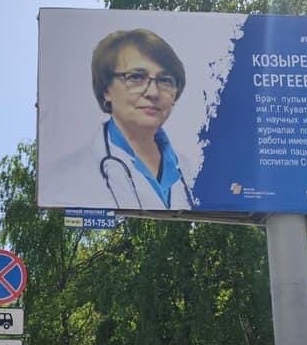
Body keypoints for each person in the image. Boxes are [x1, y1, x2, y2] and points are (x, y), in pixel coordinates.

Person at [44, 28, 194, 211]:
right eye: (136, 77)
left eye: (165, 80)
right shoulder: (64, 176)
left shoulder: (191, 171)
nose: (154, 92)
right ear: (106, 90)